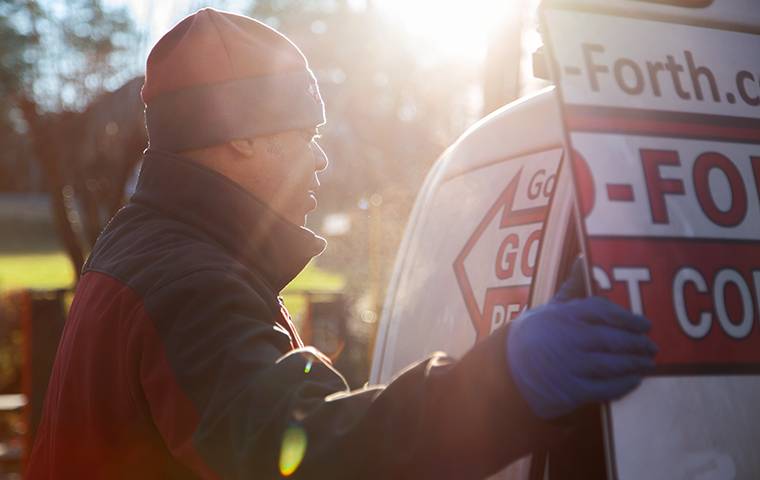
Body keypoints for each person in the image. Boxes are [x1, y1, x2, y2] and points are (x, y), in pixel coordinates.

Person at [27, 8, 657, 480]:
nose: (321, 158)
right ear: (240, 135)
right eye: (304, 133)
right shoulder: (189, 283)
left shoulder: (143, 248)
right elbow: (301, 452)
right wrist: (509, 381)